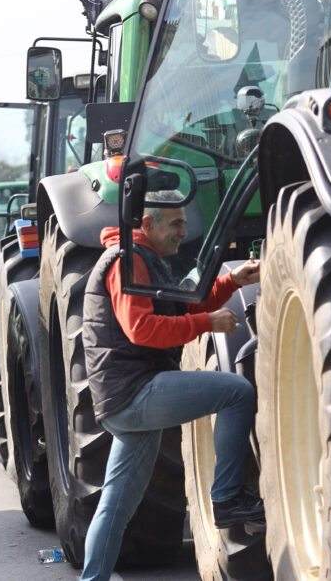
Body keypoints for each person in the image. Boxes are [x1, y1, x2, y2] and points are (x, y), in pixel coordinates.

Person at [79, 191, 264, 581]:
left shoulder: (144, 259)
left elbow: (182, 306)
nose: (185, 231)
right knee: (237, 392)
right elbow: (142, 329)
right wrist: (207, 324)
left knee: (115, 507)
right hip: (135, 392)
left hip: (123, 396)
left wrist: (232, 281)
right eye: (176, 223)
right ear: (148, 225)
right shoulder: (127, 260)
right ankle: (227, 499)